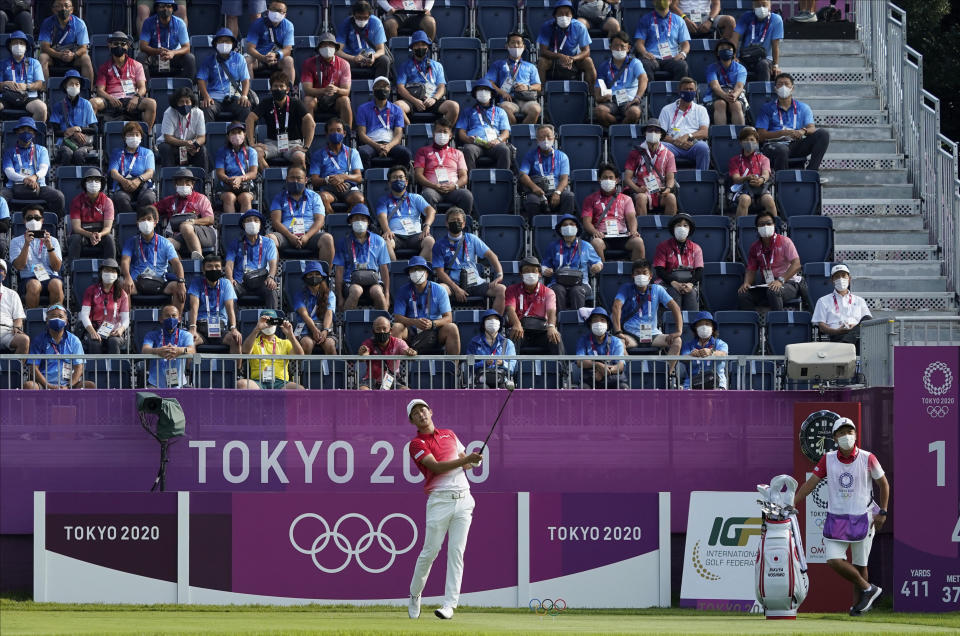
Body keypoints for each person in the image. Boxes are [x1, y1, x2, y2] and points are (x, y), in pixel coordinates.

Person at [794, 417, 888, 616]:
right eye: (842, 432)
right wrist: (793, 502)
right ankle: (869, 589)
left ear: (855, 435)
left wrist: (883, 512)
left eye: (850, 432)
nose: (846, 436)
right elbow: (810, 484)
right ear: (835, 437)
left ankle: (858, 608)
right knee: (833, 559)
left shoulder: (867, 457)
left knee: (860, 564)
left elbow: (884, 485)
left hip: (864, 516)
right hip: (837, 518)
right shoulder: (828, 458)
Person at [406, 398, 483, 620]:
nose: (421, 414)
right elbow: (437, 468)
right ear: (412, 420)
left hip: (464, 499)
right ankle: (414, 595)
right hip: (439, 501)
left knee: (456, 552)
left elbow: (464, 463)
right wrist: (465, 460)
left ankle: (449, 605)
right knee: (430, 553)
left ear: (431, 411)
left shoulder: (450, 434)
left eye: (423, 410)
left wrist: (474, 461)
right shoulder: (416, 444)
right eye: (416, 413)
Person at [432, 207, 507, 313]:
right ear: (447, 223)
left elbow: (492, 256)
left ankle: (495, 322)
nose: (456, 223)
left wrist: (500, 274)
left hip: (475, 282)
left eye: (459, 221)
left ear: (463, 224)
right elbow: (439, 272)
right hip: (453, 284)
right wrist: (456, 289)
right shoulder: (439, 244)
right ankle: (444, 322)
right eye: (453, 220)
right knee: (439, 289)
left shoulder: (471, 238)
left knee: (501, 289)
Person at [610, 260, 683, 366]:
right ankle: (630, 375)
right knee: (618, 343)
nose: (641, 275)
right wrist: (618, 332)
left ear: (650, 276)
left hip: (652, 334)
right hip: (631, 334)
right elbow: (616, 306)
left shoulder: (657, 289)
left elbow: (675, 307)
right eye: (637, 273)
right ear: (632, 275)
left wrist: (679, 331)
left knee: (677, 341)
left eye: (644, 272)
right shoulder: (626, 288)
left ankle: (666, 376)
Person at [756, 73, 830, 172]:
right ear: (775, 89)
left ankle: (811, 172)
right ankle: (783, 181)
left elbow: (812, 128)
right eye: (780, 84)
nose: (783, 87)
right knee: (782, 149)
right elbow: (760, 135)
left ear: (792, 88)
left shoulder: (803, 107)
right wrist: (783, 133)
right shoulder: (767, 108)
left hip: (795, 144)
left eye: (786, 84)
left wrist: (803, 131)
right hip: (774, 145)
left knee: (823, 134)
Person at [120, 206, 186, 311]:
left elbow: (176, 263)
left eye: (149, 219)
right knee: (121, 285)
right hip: (137, 282)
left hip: (160, 282)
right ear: (137, 224)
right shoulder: (131, 242)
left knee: (178, 288)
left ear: (155, 222)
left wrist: (181, 282)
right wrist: (127, 277)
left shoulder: (165, 243)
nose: (145, 222)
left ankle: (176, 322)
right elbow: (125, 261)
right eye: (142, 219)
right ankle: (126, 323)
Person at [392, 256, 459, 355]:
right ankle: (396, 368)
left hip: (434, 332)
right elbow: (397, 317)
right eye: (413, 270)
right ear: (409, 274)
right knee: (397, 327)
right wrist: (414, 322)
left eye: (420, 269)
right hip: (411, 332)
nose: (416, 272)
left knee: (452, 328)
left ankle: (454, 367)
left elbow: (448, 318)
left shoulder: (439, 290)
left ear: (427, 273)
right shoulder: (403, 291)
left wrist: (433, 324)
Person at [248, 71, 314, 171]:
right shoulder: (266, 102)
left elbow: (310, 122)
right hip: (272, 143)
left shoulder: (295, 102)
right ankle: (269, 179)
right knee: (255, 153)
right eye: (275, 86)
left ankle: (300, 182)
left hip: (293, 143)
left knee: (300, 157)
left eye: (281, 86)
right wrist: (252, 143)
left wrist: (306, 147)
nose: (278, 89)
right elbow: (250, 119)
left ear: (287, 89)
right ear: (270, 89)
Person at [737, 210, 802, 311]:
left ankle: (778, 323)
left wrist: (781, 280)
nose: (765, 226)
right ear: (757, 228)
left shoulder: (785, 241)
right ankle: (753, 324)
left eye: (768, 223)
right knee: (744, 294)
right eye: (762, 224)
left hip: (788, 283)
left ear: (774, 225)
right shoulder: (755, 247)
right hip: (767, 284)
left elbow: (796, 264)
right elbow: (751, 269)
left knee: (773, 291)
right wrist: (746, 282)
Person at [268, 166, 335, 264]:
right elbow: (276, 222)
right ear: (286, 179)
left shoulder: (314, 196)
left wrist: (307, 236)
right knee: (270, 239)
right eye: (292, 178)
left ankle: (325, 276)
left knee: (327, 239)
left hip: (311, 234)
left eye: (299, 178)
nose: (295, 181)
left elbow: (320, 220)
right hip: (286, 235)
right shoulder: (279, 197)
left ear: (306, 180)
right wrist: (290, 236)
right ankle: (273, 276)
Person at [91, 32, 157, 129]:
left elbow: (142, 87)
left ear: (128, 46)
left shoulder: (137, 65)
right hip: (112, 100)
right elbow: (100, 90)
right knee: (93, 103)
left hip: (131, 100)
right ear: (110, 46)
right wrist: (110, 98)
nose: (119, 46)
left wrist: (136, 97)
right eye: (116, 44)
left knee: (151, 104)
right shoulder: (104, 67)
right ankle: (95, 137)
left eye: (122, 44)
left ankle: (146, 136)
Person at [2, 117, 65, 217]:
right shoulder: (9, 151)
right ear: (17, 132)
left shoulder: (41, 150)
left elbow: (44, 169)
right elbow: (9, 172)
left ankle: (54, 222)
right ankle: (4, 224)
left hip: (38, 186)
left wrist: (34, 177)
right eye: (22, 129)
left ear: (34, 134)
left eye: (29, 130)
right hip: (14, 187)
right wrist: (26, 179)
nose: (26, 132)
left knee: (58, 197)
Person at [581, 162, 645, 261]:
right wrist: (595, 232)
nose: (608, 180)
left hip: (622, 237)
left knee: (638, 242)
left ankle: (635, 272)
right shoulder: (590, 199)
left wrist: (633, 230)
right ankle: (602, 275)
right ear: (599, 180)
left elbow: (631, 218)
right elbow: (586, 222)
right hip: (602, 236)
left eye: (611, 178)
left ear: (617, 180)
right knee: (596, 243)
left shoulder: (626, 199)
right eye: (604, 177)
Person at [333, 204, 391, 310]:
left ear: (368, 222)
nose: (359, 221)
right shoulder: (343, 242)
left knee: (378, 292)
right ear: (350, 222)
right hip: (351, 282)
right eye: (356, 218)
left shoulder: (379, 241)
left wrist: (387, 295)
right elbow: (339, 271)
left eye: (363, 219)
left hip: (373, 281)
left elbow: (384, 269)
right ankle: (347, 323)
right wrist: (340, 297)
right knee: (356, 290)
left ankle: (383, 323)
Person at [395, 31, 459, 126]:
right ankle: (410, 131)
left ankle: (441, 132)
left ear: (427, 47)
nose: (420, 47)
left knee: (454, 106)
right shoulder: (405, 66)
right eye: (417, 45)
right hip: (412, 100)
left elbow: (442, 87)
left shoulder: (437, 65)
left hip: (432, 99)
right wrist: (415, 101)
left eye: (423, 44)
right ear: (412, 48)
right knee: (397, 106)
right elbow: (400, 88)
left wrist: (434, 99)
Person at [24, 304, 94, 390]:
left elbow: (79, 367)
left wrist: (68, 386)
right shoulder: (39, 340)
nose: (57, 319)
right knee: (29, 386)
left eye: (61, 316)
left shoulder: (74, 340)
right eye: (53, 316)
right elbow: (33, 367)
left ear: (66, 321)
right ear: (47, 320)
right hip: (44, 384)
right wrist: (48, 385)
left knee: (90, 385)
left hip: (69, 385)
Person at [541, 214, 602, 311]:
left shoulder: (586, 246)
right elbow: (544, 265)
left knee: (577, 291)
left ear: (577, 228)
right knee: (557, 290)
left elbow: (598, 262)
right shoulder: (553, 246)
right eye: (565, 225)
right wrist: (545, 270)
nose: (568, 227)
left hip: (581, 284)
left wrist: (597, 266)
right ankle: (560, 321)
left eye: (572, 224)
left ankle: (576, 322)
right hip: (557, 282)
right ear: (560, 230)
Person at [413, 118, 474, 215]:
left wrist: (454, 186)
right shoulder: (423, 151)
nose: (442, 134)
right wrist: (434, 186)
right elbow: (418, 175)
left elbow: (464, 176)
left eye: (445, 132)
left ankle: (463, 225)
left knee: (467, 195)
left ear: (450, 136)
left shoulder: (458, 153)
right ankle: (431, 226)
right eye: (439, 131)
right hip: (432, 189)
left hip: (453, 189)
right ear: (433, 134)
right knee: (427, 195)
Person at [504, 256, 563, 355]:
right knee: (514, 335)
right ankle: (509, 369)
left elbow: (551, 311)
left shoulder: (548, 292)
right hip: (521, 329)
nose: (530, 274)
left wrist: (551, 326)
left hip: (541, 331)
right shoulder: (512, 290)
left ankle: (562, 369)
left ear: (539, 274)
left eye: (534, 271)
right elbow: (510, 308)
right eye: (526, 271)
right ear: (521, 274)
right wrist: (516, 324)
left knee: (556, 337)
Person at [377, 164, 436, 260]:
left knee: (430, 242)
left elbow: (431, 211)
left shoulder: (415, 197)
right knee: (385, 243)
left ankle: (419, 267)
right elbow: (381, 216)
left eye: (401, 177)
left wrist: (427, 225)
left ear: (407, 182)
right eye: (394, 178)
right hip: (395, 235)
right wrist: (387, 230)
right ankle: (394, 272)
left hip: (416, 235)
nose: (398, 180)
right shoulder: (384, 200)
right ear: (389, 183)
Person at [518, 124, 575, 221]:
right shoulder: (530, 155)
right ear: (537, 140)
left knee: (569, 196)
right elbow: (522, 175)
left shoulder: (562, 156)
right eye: (541, 137)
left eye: (548, 136)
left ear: (554, 137)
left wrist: (557, 192)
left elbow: (564, 179)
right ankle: (534, 229)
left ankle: (564, 226)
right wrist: (534, 187)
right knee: (530, 200)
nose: (545, 140)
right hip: (537, 192)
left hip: (556, 190)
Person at [10, 204, 64, 308]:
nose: (33, 221)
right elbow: (19, 266)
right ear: (24, 221)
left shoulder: (53, 240)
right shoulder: (16, 241)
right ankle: (33, 320)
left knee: (56, 284)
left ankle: (55, 317)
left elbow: (57, 267)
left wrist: (49, 247)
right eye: (29, 218)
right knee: (34, 285)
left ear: (42, 220)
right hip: (28, 278)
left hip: (50, 276)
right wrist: (26, 244)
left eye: (37, 218)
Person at [224, 210, 279, 310]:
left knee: (271, 289)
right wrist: (230, 279)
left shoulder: (269, 242)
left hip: (261, 281)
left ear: (260, 224)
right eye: (248, 220)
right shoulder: (235, 243)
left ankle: (273, 323)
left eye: (256, 220)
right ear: (244, 225)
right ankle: (233, 324)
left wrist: (271, 277)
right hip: (241, 282)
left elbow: (273, 263)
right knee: (229, 290)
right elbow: (229, 264)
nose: (252, 223)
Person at [309, 117, 366, 214]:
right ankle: (332, 222)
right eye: (331, 131)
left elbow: (359, 177)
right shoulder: (318, 154)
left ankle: (346, 222)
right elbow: (314, 180)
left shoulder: (353, 153)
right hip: (328, 189)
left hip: (348, 188)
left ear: (344, 133)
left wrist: (343, 177)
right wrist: (329, 180)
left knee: (359, 199)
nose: (335, 133)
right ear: (327, 134)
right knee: (322, 198)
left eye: (339, 130)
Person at [811, 264, 872, 353]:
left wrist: (855, 327)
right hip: (836, 336)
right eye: (837, 276)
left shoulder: (859, 300)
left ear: (849, 279)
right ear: (832, 280)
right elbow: (822, 327)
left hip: (858, 337)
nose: (840, 279)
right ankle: (846, 343)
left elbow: (868, 322)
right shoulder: (823, 300)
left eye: (843, 276)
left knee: (867, 318)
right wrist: (837, 331)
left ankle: (845, 344)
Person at [236, 309, 304, 389]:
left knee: (299, 389)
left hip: (280, 382)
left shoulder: (285, 343)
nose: (269, 324)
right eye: (266, 321)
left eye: (272, 321)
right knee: (241, 384)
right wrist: (257, 329)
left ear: (276, 323)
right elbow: (245, 351)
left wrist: (290, 335)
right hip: (259, 382)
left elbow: (300, 356)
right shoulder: (253, 341)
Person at [156, 167, 215, 260]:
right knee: (165, 244)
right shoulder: (170, 201)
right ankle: (182, 267)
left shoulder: (201, 198)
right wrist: (153, 217)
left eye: (187, 182)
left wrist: (192, 222)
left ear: (192, 185)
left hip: (203, 235)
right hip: (180, 238)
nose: (184, 185)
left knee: (185, 226)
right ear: (175, 185)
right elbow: (152, 209)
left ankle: (198, 260)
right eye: (181, 182)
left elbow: (210, 220)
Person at [187, 253, 241, 351]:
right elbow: (193, 307)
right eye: (210, 267)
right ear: (203, 270)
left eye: (217, 266)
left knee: (235, 340)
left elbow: (230, 308)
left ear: (221, 269)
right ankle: (188, 367)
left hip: (220, 328)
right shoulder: (196, 282)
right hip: (201, 328)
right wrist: (192, 328)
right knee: (189, 341)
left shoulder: (226, 283)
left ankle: (238, 367)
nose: (214, 269)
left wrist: (233, 328)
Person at [485, 33, 542, 125]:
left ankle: (522, 134)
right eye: (512, 43)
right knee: (505, 109)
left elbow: (538, 86)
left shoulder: (531, 66)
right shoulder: (498, 64)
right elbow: (489, 82)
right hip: (508, 100)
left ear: (523, 47)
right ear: (507, 46)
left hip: (526, 100)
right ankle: (514, 134)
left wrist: (527, 87)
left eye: (519, 43)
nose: (516, 45)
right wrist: (502, 92)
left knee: (536, 109)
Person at [196, 28, 252, 123]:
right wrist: (206, 96)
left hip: (234, 96)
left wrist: (244, 96)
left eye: (227, 41)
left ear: (232, 44)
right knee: (206, 108)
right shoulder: (209, 60)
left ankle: (244, 136)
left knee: (245, 107)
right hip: (214, 98)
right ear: (215, 44)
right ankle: (210, 136)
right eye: (221, 41)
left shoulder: (239, 58)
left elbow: (245, 80)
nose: (224, 43)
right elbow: (200, 79)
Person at [623, 119, 678, 216]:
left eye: (656, 131)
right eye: (650, 130)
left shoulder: (669, 154)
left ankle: (668, 229)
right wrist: (637, 189)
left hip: (660, 191)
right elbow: (627, 178)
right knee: (641, 198)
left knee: (671, 198)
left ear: (661, 134)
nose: (653, 133)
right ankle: (642, 229)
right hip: (641, 190)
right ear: (645, 133)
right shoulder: (635, 152)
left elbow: (670, 178)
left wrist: (668, 189)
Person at [536, 0, 597, 86]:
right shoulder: (546, 26)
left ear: (572, 15)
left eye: (567, 13)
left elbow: (586, 51)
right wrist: (560, 56)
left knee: (588, 61)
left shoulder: (579, 27)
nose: (564, 16)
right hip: (553, 60)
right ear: (555, 16)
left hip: (573, 61)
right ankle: (540, 93)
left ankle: (591, 95)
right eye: (560, 14)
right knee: (542, 61)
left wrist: (573, 58)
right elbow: (543, 51)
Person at [455, 79, 512, 172]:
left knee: (504, 150)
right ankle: (470, 181)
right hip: (475, 144)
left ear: (491, 94)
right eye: (480, 90)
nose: (483, 92)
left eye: (486, 90)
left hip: (495, 144)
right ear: (475, 94)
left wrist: (498, 140)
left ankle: (502, 182)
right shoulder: (467, 111)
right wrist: (467, 139)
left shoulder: (500, 111)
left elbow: (506, 132)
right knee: (468, 150)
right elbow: (461, 131)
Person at [356, 75, 411, 169]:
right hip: (371, 144)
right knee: (362, 153)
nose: (382, 88)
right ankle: (367, 181)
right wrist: (377, 146)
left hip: (391, 143)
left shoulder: (397, 109)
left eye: (385, 86)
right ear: (373, 90)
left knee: (405, 153)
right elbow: (361, 134)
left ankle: (398, 177)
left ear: (389, 89)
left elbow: (398, 135)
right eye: (379, 86)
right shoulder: (363, 108)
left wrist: (388, 147)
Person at [593, 31, 646, 127]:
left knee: (634, 112)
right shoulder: (604, 66)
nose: (619, 49)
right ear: (610, 47)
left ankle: (617, 129)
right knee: (599, 111)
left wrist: (638, 97)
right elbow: (598, 86)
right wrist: (600, 97)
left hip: (630, 100)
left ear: (628, 48)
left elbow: (643, 79)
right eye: (615, 46)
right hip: (611, 101)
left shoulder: (635, 63)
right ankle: (618, 129)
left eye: (622, 46)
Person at [301, 33, 353, 129]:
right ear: (319, 48)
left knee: (345, 100)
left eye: (330, 45)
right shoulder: (308, 63)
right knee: (308, 100)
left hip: (335, 99)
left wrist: (336, 89)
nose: (327, 47)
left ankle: (347, 134)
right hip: (317, 98)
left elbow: (346, 91)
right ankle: (308, 133)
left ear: (335, 48)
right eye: (324, 45)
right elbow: (307, 89)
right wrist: (324, 90)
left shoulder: (344, 64)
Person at [78, 258, 129, 354]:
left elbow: (126, 319)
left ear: (117, 274)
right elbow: (84, 315)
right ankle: (95, 369)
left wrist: (121, 330)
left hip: (114, 331)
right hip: (95, 329)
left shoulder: (122, 294)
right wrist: (92, 332)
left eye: (113, 271)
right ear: (101, 272)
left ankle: (115, 369)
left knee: (114, 341)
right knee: (95, 342)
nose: (109, 273)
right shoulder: (91, 291)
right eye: (106, 270)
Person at [658, 77, 710, 170]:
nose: (689, 91)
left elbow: (704, 132)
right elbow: (661, 135)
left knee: (703, 147)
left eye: (691, 89)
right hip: (673, 145)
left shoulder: (701, 110)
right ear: (679, 91)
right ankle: (662, 179)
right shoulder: (667, 109)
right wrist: (676, 142)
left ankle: (701, 178)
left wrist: (688, 136)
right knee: (659, 147)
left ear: (695, 91)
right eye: (686, 89)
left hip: (693, 144)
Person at [653, 213, 702, 311]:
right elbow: (659, 270)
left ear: (689, 229)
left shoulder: (696, 248)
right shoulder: (663, 247)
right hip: (668, 284)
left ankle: (691, 324)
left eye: (685, 225)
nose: (682, 228)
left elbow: (699, 271)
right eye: (678, 225)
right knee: (674, 293)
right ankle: (673, 325)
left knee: (691, 293)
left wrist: (690, 284)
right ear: (673, 228)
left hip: (689, 284)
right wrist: (673, 283)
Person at [137, 0, 195, 82]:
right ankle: (147, 88)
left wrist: (173, 53)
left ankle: (184, 88)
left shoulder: (180, 23)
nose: (165, 9)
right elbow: (143, 46)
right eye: (162, 6)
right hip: (155, 55)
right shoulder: (148, 22)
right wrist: (157, 51)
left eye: (168, 6)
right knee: (141, 57)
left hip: (173, 55)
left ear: (173, 9)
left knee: (190, 58)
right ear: (157, 9)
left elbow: (187, 48)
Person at [37, 0, 93, 84]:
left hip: (73, 57)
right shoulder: (47, 23)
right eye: (58, 6)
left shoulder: (79, 23)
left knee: (86, 58)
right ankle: (45, 91)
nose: (63, 9)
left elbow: (83, 48)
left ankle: (88, 91)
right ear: (53, 9)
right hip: (54, 56)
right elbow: (45, 47)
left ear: (72, 9)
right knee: (43, 57)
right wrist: (59, 55)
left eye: (66, 6)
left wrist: (73, 55)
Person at [49, 70, 98, 166]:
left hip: (83, 144)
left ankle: (81, 179)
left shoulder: (86, 104)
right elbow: (56, 131)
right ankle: (63, 178)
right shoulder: (58, 106)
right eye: (71, 84)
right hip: (64, 143)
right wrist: (70, 132)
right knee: (67, 153)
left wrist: (77, 129)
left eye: (77, 84)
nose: (74, 86)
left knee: (79, 154)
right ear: (65, 86)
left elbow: (95, 129)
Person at [67, 168, 116, 261]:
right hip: (82, 235)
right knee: (75, 238)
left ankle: (111, 267)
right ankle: (72, 270)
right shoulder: (76, 201)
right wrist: (90, 235)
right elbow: (76, 228)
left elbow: (108, 227)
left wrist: (100, 234)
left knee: (109, 238)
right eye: (90, 180)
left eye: (97, 180)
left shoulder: (107, 202)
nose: (93, 183)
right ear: (85, 184)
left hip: (100, 235)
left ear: (101, 184)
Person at [634, 0, 691, 81]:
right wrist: (644, 53)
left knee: (682, 65)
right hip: (651, 57)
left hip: (672, 58)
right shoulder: (645, 19)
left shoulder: (679, 20)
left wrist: (682, 54)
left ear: (671, 1)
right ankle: (648, 92)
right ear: (653, 2)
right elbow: (639, 43)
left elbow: (685, 44)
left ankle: (677, 92)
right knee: (643, 64)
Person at [107, 121, 157, 214]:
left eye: (137, 134)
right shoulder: (117, 153)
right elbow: (113, 172)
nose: (134, 137)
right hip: (123, 185)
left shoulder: (147, 153)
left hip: (143, 184)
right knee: (120, 198)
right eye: (130, 134)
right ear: (124, 137)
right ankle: (130, 224)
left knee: (149, 198)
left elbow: (150, 172)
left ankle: (143, 220)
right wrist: (124, 181)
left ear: (141, 137)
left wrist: (138, 180)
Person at [141, 304, 194, 387]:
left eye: (173, 316)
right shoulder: (151, 335)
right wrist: (157, 351)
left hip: (180, 384)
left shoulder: (186, 335)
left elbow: (192, 350)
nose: (171, 319)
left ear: (179, 319)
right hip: (155, 384)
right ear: (161, 319)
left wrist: (179, 350)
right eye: (167, 316)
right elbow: (145, 349)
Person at [336, 0, 391, 79]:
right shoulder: (346, 23)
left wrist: (373, 57)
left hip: (370, 56)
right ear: (354, 15)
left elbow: (381, 50)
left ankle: (380, 88)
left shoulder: (376, 22)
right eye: (359, 17)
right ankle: (346, 88)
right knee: (339, 62)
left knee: (384, 60)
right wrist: (353, 58)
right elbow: (337, 51)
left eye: (365, 18)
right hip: (352, 57)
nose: (362, 20)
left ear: (369, 16)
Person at [244, 0, 296, 84]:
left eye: (280, 11)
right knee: (247, 60)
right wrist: (263, 58)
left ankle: (289, 91)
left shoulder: (289, 25)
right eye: (274, 10)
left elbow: (288, 49)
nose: (276, 13)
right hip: (259, 59)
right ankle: (250, 92)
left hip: (277, 58)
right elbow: (250, 48)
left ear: (285, 15)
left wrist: (276, 55)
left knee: (289, 60)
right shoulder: (256, 24)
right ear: (268, 11)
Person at [728, 126, 775, 217]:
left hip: (761, 189)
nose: (749, 142)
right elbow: (736, 178)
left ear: (757, 142)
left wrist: (761, 180)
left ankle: (775, 228)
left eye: (752, 139)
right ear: (741, 142)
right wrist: (747, 178)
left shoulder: (764, 159)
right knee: (745, 200)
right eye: (746, 139)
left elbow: (766, 174)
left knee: (769, 200)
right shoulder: (735, 160)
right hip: (743, 190)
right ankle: (739, 229)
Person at [574, 307, 627, 389]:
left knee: (624, 388)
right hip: (590, 379)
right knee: (583, 390)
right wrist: (597, 365)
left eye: (602, 320)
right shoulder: (583, 340)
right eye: (595, 320)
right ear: (590, 324)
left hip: (612, 380)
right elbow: (579, 361)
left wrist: (605, 371)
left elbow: (620, 365)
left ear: (607, 324)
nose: (599, 323)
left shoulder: (616, 341)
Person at [292, 261, 337, 355]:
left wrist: (325, 330)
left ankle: (335, 370)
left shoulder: (330, 294)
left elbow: (329, 313)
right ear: (305, 278)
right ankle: (303, 369)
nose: (314, 277)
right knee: (306, 344)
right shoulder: (299, 295)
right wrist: (314, 330)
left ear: (322, 277)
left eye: (317, 274)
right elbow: (304, 314)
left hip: (325, 328)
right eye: (310, 274)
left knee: (330, 345)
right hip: (306, 329)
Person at [465, 308, 516, 388]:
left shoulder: (508, 343)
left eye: (496, 319)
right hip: (480, 380)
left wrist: (502, 363)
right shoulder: (474, 342)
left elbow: (513, 367)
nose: (493, 322)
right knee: (483, 388)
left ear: (500, 324)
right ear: (483, 324)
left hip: (502, 380)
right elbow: (469, 364)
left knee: (504, 389)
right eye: (489, 319)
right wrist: (484, 363)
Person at [732, 0, 782, 82]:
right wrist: (733, 57)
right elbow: (735, 36)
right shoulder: (747, 16)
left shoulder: (776, 19)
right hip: (746, 57)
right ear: (753, 6)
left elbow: (775, 45)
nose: (761, 8)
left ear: (770, 6)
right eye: (758, 5)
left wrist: (775, 65)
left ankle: (763, 93)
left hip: (765, 58)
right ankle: (738, 93)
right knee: (735, 65)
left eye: (764, 5)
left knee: (763, 65)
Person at [2, 32, 47, 122]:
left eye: (21, 43)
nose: (18, 45)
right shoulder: (2, 63)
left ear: (26, 47)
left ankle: (32, 134)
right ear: (10, 46)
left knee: (41, 109)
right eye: (15, 43)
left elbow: (40, 84)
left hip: (28, 97)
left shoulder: (34, 63)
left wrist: (27, 86)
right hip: (7, 96)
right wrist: (4, 84)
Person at [215, 121, 259, 213]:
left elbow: (253, 173)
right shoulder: (222, 151)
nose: (237, 135)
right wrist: (229, 180)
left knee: (246, 198)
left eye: (239, 132)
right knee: (229, 197)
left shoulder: (251, 152)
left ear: (244, 134)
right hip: (227, 186)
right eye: (233, 133)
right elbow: (220, 173)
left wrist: (240, 179)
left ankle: (246, 225)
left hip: (246, 187)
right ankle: (230, 226)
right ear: (228, 136)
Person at [158, 86, 208, 169]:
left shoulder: (198, 113)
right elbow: (168, 138)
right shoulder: (169, 112)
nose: (185, 104)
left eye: (187, 102)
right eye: (181, 102)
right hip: (173, 146)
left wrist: (195, 145)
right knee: (165, 148)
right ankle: (168, 179)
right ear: (176, 103)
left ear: (192, 102)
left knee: (202, 150)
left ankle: (205, 180)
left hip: (191, 147)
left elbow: (202, 137)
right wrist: (184, 143)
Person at [680, 310, 728, 389]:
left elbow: (724, 354)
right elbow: (683, 358)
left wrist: (711, 352)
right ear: (695, 328)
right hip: (692, 385)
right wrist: (691, 355)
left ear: (712, 328)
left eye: (707, 324)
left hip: (717, 384)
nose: (704, 327)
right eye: (700, 324)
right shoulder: (688, 345)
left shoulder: (720, 343)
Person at [705, 39, 747, 125]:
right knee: (720, 104)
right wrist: (725, 95)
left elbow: (739, 86)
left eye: (728, 48)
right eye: (722, 48)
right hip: (716, 96)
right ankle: (721, 136)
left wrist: (734, 95)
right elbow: (715, 86)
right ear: (717, 53)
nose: (725, 50)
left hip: (735, 95)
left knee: (735, 104)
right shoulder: (711, 68)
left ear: (733, 53)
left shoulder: (741, 69)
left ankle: (740, 135)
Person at [0, 259, 28, 354]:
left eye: (0, 270)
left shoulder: (12, 294)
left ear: (4, 276)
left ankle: (14, 368)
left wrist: (17, 327)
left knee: (24, 340)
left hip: (5, 332)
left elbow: (18, 318)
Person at [671, 0, 736, 40]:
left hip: (706, 17)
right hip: (684, 17)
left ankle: (723, 52)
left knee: (730, 21)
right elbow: (673, 6)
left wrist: (710, 20)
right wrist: (685, 19)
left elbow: (716, 5)